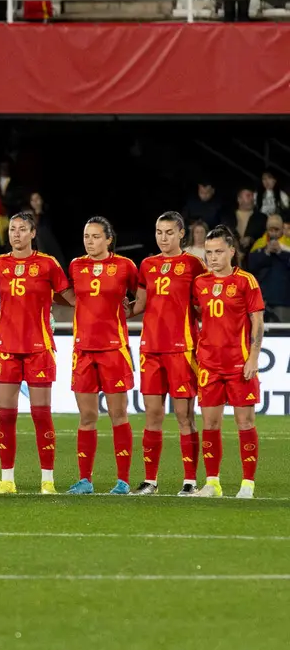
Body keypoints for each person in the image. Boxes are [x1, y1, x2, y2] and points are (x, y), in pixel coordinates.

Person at [0, 214, 69, 494]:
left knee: (41, 415)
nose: (16, 234)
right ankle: (7, 480)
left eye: (22, 229)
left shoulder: (48, 264)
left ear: (33, 233)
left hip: (39, 348)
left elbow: (67, 296)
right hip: (6, 348)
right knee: (6, 415)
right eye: (12, 229)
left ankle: (47, 481)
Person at [129, 212, 208, 495]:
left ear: (181, 234)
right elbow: (139, 305)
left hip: (182, 349)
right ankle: (150, 481)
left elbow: (203, 304)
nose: (163, 238)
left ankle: (189, 481)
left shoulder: (194, 264)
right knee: (152, 415)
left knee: (185, 416)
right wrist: (103, 306)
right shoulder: (147, 265)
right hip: (150, 349)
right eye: (159, 232)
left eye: (169, 233)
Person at [66, 217, 138, 495]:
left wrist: (128, 311)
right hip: (83, 350)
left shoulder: (124, 267)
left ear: (109, 239)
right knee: (87, 416)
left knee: (118, 415)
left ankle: (123, 481)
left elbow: (142, 295)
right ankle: (85, 480)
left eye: (96, 236)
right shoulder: (76, 265)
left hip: (113, 350)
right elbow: (67, 295)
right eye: (86, 236)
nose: (90, 241)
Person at [191, 225, 263, 498]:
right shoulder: (200, 283)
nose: (213, 257)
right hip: (209, 363)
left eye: (219, 251)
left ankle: (247, 483)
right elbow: (199, 315)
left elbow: (257, 321)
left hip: (239, 363)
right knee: (210, 424)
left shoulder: (246, 281)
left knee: (245, 423)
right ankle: (212, 483)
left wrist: (253, 357)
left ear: (232, 251)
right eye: (209, 252)